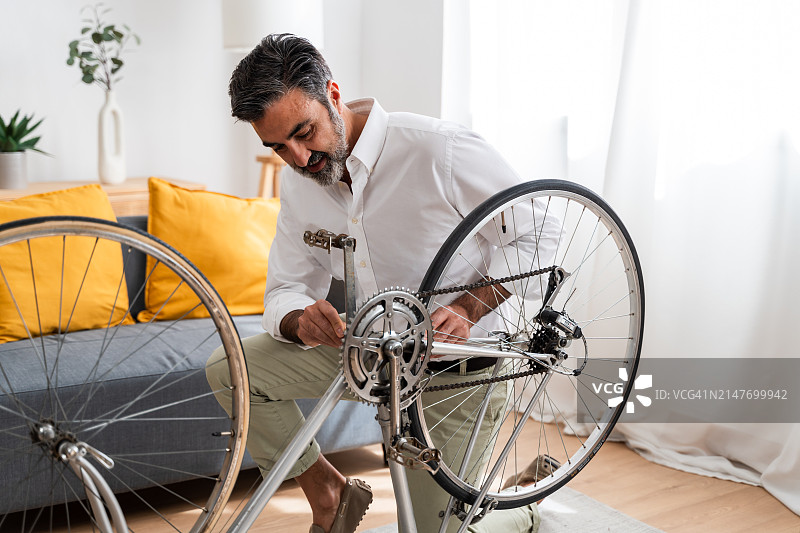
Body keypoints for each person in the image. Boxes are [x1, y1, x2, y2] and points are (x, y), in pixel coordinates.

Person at [207, 33, 549, 533]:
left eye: (306, 132)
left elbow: (540, 231)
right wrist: (301, 318)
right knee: (229, 370)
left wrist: (471, 307)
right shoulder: (299, 180)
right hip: (370, 357)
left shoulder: (440, 151)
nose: (300, 159)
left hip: (456, 368)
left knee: (437, 531)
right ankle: (328, 492)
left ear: (334, 94)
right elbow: (285, 288)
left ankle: (519, 505)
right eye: (279, 147)